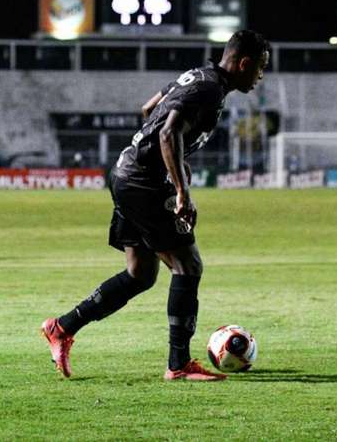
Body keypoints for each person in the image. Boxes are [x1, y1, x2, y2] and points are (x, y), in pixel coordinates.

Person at [41, 30, 269, 381]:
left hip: (127, 174)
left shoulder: (197, 76)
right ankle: (178, 365)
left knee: (141, 274)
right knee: (188, 265)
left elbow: (149, 110)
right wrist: (181, 189)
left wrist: (173, 159)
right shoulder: (207, 89)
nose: (260, 77)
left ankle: (62, 327)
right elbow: (167, 133)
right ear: (244, 63)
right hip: (143, 183)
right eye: (260, 68)